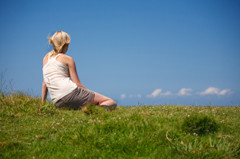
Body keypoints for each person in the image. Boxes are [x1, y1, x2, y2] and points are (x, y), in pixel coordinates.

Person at [42, 31, 117, 110]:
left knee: (81, 105)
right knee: (110, 102)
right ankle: (94, 110)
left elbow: (44, 84)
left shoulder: (45, 58)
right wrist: (89, 93)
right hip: (71, 93)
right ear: (65, 44)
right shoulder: (68, 59)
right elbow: (77, 83)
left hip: (58, 102)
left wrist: (43, 104)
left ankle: (89, 108)